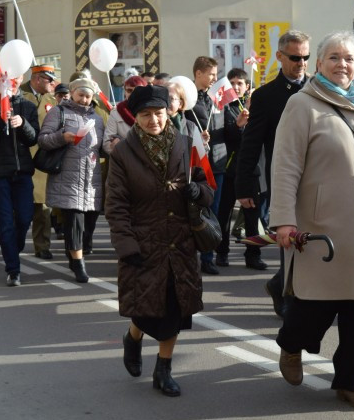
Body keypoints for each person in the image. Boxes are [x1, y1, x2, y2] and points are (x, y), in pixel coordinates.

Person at [271, 31, 354, 410]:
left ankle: (350, 381)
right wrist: (282, 220)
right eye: (334, 57)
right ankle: (291, 345)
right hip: (321, 227)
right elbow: (285, 166)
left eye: (349, 58)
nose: (343, 65)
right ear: (319, 64)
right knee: (315, 306)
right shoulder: (303, 104)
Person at [106, 84, 214, 397]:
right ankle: (133, 337)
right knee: (146, 308)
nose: (153, 119)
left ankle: (163, 369)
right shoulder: (124, 153)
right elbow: (116, 205)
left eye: (159, 112)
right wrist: (126, 245)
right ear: (134, 117)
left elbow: (207, 183)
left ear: (169, 111)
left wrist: (200, 192)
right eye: (145, 114)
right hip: (144, 243)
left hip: (181, 241)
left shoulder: (185, 143)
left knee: (176, 311)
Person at [235, 30, 310, 317]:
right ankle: (287, 294)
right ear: (279, 56)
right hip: (284, 180)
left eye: (305, 57)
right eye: (294, 57)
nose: (301, 63)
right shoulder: (266, 95)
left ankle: (283, 285)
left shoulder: (318, 88)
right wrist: (244, 186)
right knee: (288, 241)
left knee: (312, 243)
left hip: (317, 179)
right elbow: (251, 144)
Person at [38, 78, 106, 283]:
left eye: (88, 96)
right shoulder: (58, 112)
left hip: (92, 179)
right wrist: (62, 137)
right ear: (73, 93)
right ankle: (78, 265)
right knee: (74, 222)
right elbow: (43, 140)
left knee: (88, 225)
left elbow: (101, 146)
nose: (84, 100)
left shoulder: (98, 118)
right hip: (67, 177)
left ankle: (75, 254)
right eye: (81, 95)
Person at [0, 71, 39, 287]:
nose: (11, 84)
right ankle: (13, 270)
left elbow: (34, 139)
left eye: (14, 81)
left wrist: (22, 123)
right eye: (7, 81)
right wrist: (0, 119)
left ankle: (13, 247)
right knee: (5, 223)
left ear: (20, 81)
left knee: (24, 218)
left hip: (22, 171)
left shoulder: (28, 106)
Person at [214, 68, 266, 270]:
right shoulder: (224, 108)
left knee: (253, 217)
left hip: (251, 171)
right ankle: (222, 252)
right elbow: (227, 137)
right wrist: (238, 126)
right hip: (229, 170)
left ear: (247, 87)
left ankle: (253, 255)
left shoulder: (257, 108)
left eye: (240, 83)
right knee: (225, 215)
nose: (236, 87)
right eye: (232, 83)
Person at [190, 56, 226, 275]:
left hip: (218, 163)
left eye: (216, 73)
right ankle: (191, 255)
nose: (215, 78)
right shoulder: (188, 100)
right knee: (195, 209)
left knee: (214, 211)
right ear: (198, 74)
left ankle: (208, 257)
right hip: (196, 164)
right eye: (211, 74)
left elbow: (223, 130)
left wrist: (238, 124)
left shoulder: (215, 100)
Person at [22, 65, 59, 260]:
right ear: (37, 79)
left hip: (43, 161)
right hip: (22, 158)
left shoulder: (52, 100)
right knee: (20, 209)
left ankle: (42, 246)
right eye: (48, 79)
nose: (52, 83)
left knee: (43, 208)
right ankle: (16, 242)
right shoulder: (19, 95)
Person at [104, 76, 146, 153]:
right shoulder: (116, 113)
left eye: (138, 90)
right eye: (129, 90)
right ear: (125, 92)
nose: (133, 94)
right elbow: (107, 144)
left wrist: (122, 142)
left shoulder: (152, 111)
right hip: (125, 161)